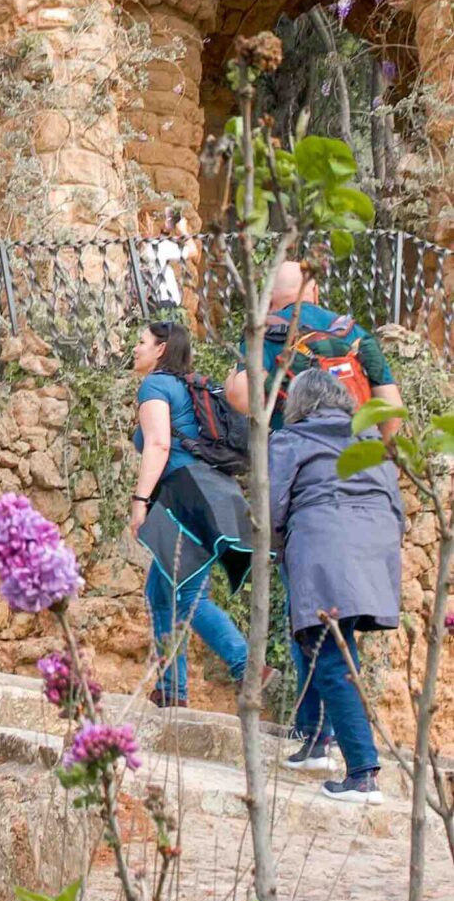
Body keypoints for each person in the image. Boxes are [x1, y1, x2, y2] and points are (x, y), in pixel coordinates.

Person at [270, 368, 403, 801]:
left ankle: (362, 773)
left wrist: (279, 547)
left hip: (323, 538)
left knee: (327, 649)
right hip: (375, 543)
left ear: (298, 403)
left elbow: (273, 505)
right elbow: (396, 506)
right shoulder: (371, 443)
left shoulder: (291, 439)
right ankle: (314, 740)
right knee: (327, 640)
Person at [129, 320, 251, 708]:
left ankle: (247, 664)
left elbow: (159, 444)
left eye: (142, 341)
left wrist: (140, 501)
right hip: (217, 494)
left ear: (161, 348)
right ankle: (172, 690)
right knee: (162, 591)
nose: (136, 348)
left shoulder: (155, 386)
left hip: (187, 497)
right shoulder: (192, 386)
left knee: (187, 597)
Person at [225, 258, 403, 434]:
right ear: (316, 292)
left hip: (296, 455)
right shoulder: (353, 332)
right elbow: (392, 409)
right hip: (355, 455)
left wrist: (232, 376)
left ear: (269, 299)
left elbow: (243, 399)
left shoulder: (263, 334)